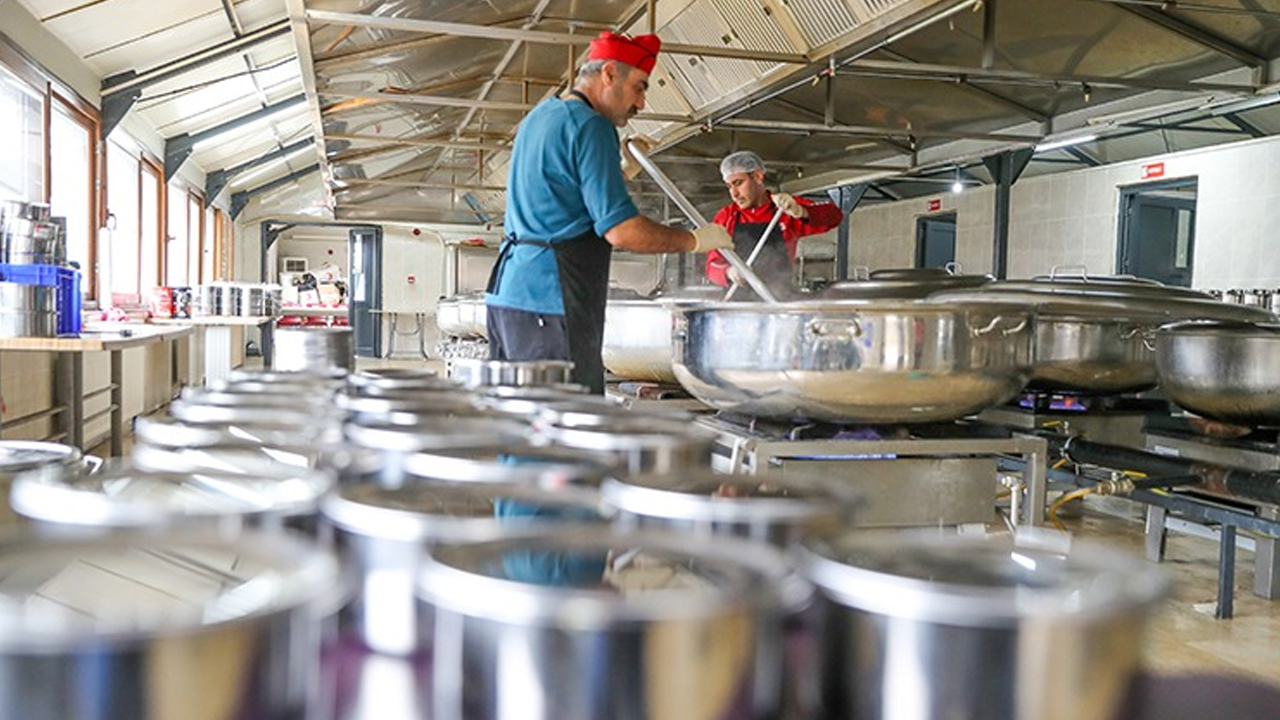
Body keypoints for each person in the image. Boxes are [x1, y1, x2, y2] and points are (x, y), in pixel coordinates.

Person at [485, 30, 733, 394]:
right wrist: (694, 240)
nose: (642, 103)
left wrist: (623, 171)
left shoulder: (542, 116)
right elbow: (622, 230)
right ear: (610, 74)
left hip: (510, 295)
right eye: (640, 86)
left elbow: (566, 195)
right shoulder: (593, 126)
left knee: (523, 422)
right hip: (551, 299)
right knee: (564, 425)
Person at [706, 150, 844, 296]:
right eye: (729, 186)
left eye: (738, 183)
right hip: (738, 306)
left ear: (758, 177)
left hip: (778, 300)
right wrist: (728, 271)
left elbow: (835, 215)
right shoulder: (726, 217)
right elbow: (712, 265)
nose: (734, 194)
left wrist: (800, 212)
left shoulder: (784, 209)